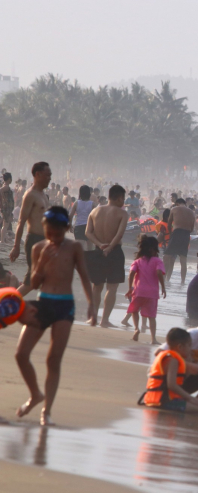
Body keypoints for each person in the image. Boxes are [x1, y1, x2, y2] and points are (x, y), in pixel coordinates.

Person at [15, 206, 95, 426]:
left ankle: (46, 411)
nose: (54, 238)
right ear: (44, 228)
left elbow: (85, 277)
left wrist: (92, 305)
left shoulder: (75, 247)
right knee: (21, 354)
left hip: (64, 306)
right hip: (43, 304)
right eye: (50, 233)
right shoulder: (39, 247)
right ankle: (35, 394)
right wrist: (42, 262)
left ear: (67, 229)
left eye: (58, 234)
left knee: (53, 359)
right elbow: (35, 282)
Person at [85, 184, 128, 327]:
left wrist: (100, 244)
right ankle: (104, 320)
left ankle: (93, 318)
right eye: (123, 198)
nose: (123, 201)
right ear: (119, 198)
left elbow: (88, 233)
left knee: (96, 286)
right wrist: (110, 247)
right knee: (112, 287)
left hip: (98, 250)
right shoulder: (122, 213)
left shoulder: (95, 211)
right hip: (114, 252)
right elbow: (119, 234)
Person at [10, 162, 51, 296]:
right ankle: (5, 305)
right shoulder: (30, 195)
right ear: (37, 175)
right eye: (47, 175)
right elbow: (21, 222)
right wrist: (16, 246)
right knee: (32, 281)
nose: (49, 178)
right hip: (35, 240)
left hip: (45, 241)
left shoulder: (43, 195)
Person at [125, 235, 166, 344]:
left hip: (138, 291)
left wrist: (130, 288)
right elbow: (158, 272)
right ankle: (153, 339)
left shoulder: (138, 261)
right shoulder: (157, 261)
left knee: (134, 311)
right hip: (152, 293)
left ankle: (136, 329)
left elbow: (131, 273)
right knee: (151, 316)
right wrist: (163, 286)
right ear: (153, 249)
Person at [164, 198, 195, 284]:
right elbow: (192, 228)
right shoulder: (192, 212)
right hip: (186, 235)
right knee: (183, 259)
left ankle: (164, 279)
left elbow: (169, 224)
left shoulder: (174, 209)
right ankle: (183, 282)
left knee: (167, 256)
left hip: (176, 233)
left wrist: (171, 234)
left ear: (177, 203)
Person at [68, 185, 94, 251]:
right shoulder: (92, 204)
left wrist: (70, 226)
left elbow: (70, 216)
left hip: (79, 227)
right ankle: (89, 261)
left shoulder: (76, 203)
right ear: (89, 193)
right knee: (90, 249)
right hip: (89, 227)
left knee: (80, 249)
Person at [0, 172, 14, 244]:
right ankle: (2, 241)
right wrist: (2, 203)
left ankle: (3, 239)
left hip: (6, 208)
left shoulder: (5, 186)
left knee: (5, 225)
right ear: (9, 179)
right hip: (6, 209)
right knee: (5, 225)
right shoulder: (6, 187)